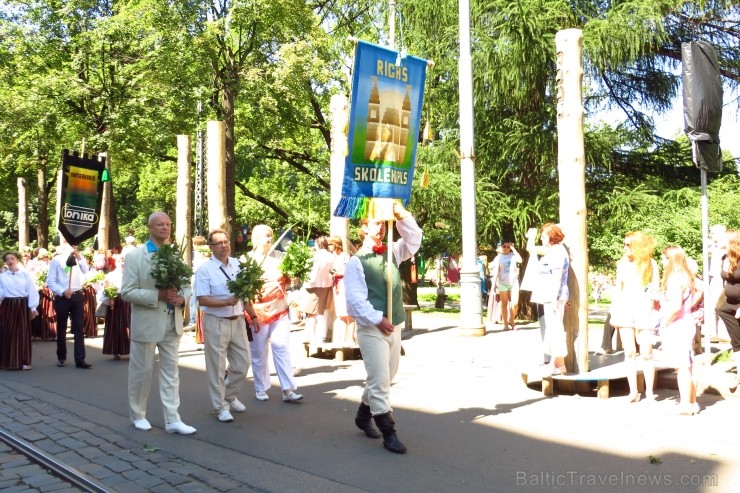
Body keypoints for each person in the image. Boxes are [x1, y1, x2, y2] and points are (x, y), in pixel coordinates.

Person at [344, 202, 422, 454]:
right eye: (376, 222)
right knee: (380, 382)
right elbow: (355, 300)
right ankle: (389, 432)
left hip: (394, 325)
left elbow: (414, 239)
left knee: (386, 376)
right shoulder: (356, 262)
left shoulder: (393, 252)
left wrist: (402, 215)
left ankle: (362, 413)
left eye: (383, 222)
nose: (381, 227)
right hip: (372, 328)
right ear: (364, 227)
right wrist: (378, 319)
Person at [120, 211, 196, 435]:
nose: (165, 227)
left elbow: (185, 285)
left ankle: (173, 419)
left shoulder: (174, 254)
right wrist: (158, 296)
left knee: (172, 373)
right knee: (141, 372)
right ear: (150, 228)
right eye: (160, 224)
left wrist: (183, 297)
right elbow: (127, 292)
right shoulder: (136, 256)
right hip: (148, 322)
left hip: (172, 321)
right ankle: (138, 414)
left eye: (168, 224)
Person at [194, 229, 252, 423]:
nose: (224, 245)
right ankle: (220, 407)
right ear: (211, 247)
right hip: (216, 321)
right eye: (219, 243)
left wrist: (252, 313)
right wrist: (225, 302)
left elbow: (246, 291)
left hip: (238, 320)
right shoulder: (204, 270)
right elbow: (202, 299)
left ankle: (229, 395)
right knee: (216, 367)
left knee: (243, 363)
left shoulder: (238, 264)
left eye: (226, 241)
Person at [248, 225, 303, 403]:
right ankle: (260, 388)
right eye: (266, 236)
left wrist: (293, 278)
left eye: (271, 235)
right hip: (258, 312)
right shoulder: (247, 260)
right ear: (256, 238)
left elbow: (288, 280)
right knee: (259, 351)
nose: (270, 238)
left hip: (280, 309)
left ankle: (288, 389)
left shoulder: (281, 257)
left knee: (281, 347)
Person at [608, 231, 659, 402]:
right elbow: (618, 289)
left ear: (638, 246)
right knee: (629, 352)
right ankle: (633, 392)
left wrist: (653, 312)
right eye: (624, 244)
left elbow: (655, 291)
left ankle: (650, 392)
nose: (625, 247)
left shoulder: (651, 264)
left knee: (646, 353)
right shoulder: (622, 264)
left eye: (628, 244)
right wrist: (614, 313)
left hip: (644, 311)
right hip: (625, 310)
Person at [658, 245, 699, 415]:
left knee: (682, 366)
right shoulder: (686, 276)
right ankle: (692, 401)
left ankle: (684, 404)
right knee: (688, 365)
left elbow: (675, 306)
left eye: (664, 257)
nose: (662, 260)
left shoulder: (675, 279)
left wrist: (664, 323)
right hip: (686, 322)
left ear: (671, 259)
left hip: (678, 324)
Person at [526, 224, 570, 375]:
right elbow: (531, 248)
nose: (541, 238)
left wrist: (553, 300)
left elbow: (557, 279)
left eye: (543, 236)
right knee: (553, 329)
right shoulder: (552, 251)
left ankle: (552, 365)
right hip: (549, 296)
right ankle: (560, 365)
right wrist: (530, 238)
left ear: (552, 237)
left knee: (555, 330)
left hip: (554, 297)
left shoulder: (557, 252)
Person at [46, 244, 91, 369]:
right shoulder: (57, 260)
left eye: (75, 245)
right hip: (63, 297)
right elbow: (50, 281)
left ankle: (80, 359)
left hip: (77, 295)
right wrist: (62, 291)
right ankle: (61, 356)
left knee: (78, 328)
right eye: (71, 245)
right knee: (61, 328)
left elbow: (86, 270)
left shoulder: (79, 258)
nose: (73, 247)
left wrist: (78, 255)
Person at [0, 252, 39, 370]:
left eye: (12, 258)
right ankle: (5, 361)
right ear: (5, 262)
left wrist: (33, 307)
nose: (10, 261)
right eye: (7, 259)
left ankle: (24, 361)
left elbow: (31, 290)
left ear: (17, 259)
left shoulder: (25, 275)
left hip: (22, 305)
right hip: (8, 305)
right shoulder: (2, 276)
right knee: (6, 332)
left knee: (23, 333)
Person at [302, 236, 334, 348]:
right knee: (320, 311)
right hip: (326, 285)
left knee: (311, 313)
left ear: (318, 244)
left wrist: (308, 281)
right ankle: (319, 336)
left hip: (314, 285)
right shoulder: (331, 256)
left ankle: (310, 337)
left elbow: (313, 272)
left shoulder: (316, 256)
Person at [717, 229, 740, 385]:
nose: (717, 241)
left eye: (721, 239)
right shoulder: (724, 257)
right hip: (729, 305)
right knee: (736, 341)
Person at [101, 254, 131, 359]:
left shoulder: (131, 274)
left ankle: (130, 349)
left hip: (128, 300)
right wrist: (109, 299)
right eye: (120, 261)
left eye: (124, 261)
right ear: (116, 262)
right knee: (115, 326)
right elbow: (106, 288)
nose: (122, 263)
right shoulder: (110, 275)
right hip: (115, 300)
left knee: (129, 324)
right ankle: (115, 350)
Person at [489, 241, 523, 331]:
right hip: (502, 282)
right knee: (504, 304)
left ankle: (511, 320)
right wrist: (494, 284)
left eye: (508, 246)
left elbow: (520, 260)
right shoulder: (498, 257)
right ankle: (505, 324)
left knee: (515, 304)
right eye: (504, 246)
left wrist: (513, 248)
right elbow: (496, 271)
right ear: (501, 247)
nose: (506, 248)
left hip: (514, 282)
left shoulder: (513, 255)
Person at [328, 235, 355, 345]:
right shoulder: (332, 257)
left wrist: (338, 273)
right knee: (341, 313)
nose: (329, 246)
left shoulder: (345, 256)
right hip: (336, 285)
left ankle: (351, 338)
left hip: (344, 284)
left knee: (348, 312)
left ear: (335, 244)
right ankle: (343, 338)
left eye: (330, 244)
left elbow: (349, 270)